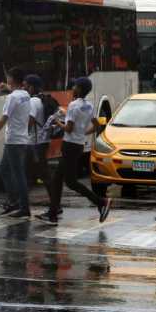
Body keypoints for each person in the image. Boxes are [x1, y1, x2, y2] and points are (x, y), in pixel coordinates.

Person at [37, 77, 111, 225]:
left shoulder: (73, 105)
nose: (73, 88)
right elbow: (97, 126)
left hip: (69, 145)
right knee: (64, 180)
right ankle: (53, 213)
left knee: (66, 181)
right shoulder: (89, 106)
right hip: (78, 145)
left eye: (75, 86)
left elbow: (69, 128)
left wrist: (56, 121)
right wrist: (83, 133)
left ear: (80, 89)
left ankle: (101, 202)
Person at [0, 68, 32, 218]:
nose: (7, 79)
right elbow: (15, 92)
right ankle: (14, 202)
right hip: (20, 139)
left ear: (12, 79)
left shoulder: (12, 98)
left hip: (13, 140)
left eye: (8, 77)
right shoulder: (25, 94)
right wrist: (7, 88)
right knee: (4, 170)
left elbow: (3, 119)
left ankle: (23, 207)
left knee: (18, 175)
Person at [24, 75, 56, 218]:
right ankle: (20, 203)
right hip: (42, 141)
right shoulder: (43, 98)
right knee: (32, 174)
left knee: (43, 175)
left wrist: (21, 133)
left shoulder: (33, 101)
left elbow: (30, 121)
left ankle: (55, 206)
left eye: (26, 86)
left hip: (35, 143)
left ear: (31, 87)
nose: (24, 88)